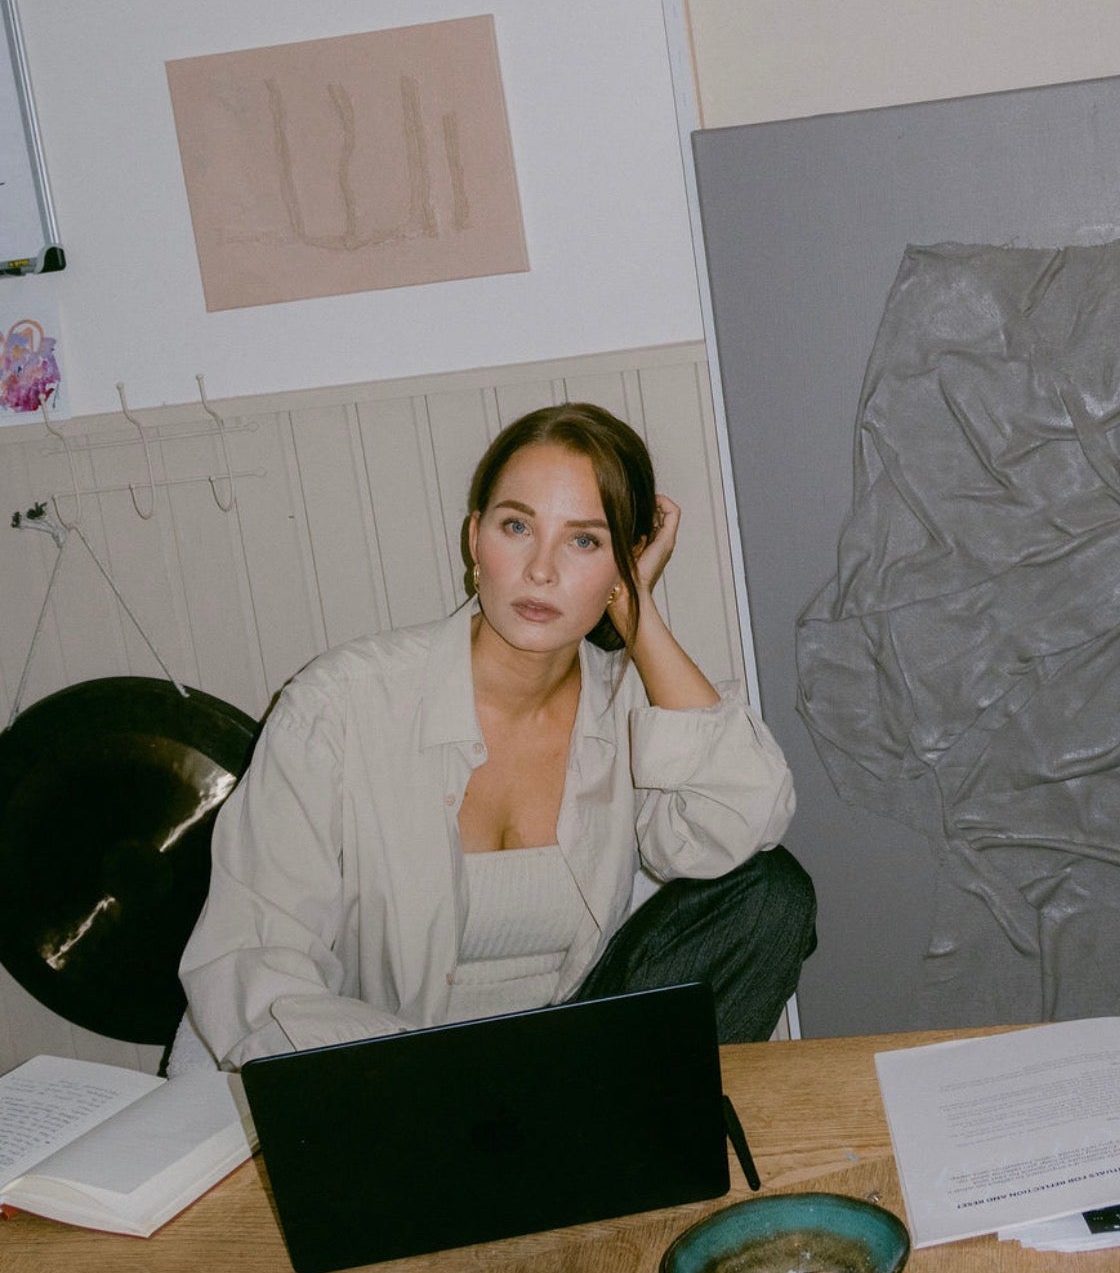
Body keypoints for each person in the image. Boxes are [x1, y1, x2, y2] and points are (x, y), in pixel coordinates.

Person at [178, 402, 813, 1068]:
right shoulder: (340, 705)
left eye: (584, 541)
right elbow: (253, 953)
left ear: (625, 564)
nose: (541, 570)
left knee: (772, 894)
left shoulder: (629, 707)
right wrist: (426, 1085)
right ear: (475, 540)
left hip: (576, 1064)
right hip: (396, 1070)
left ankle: (621, 1125)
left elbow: (739, 826)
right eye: (517, 526)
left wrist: (639, 614)